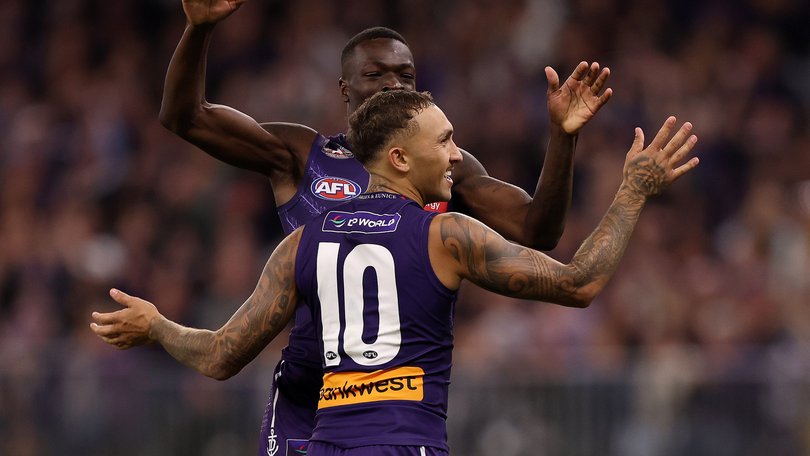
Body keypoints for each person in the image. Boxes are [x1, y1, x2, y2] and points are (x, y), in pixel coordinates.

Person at [92, 90, 698, 455]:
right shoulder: (447, 237)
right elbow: (580, 282)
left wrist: (157, 326)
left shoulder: (301, 244)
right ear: (401, 157)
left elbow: (221, 355)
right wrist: (633, 191)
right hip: (408, 441)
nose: (458, 154)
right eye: (447, 140)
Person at [159, 1, 612, 454]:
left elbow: (537, 229)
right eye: (375, 74)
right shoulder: (302, 154)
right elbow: (187, 117)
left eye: (406, 75)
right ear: (345, 87)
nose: (393, 83)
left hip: (392, 393)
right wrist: (198, 30)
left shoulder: (443, 167)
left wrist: (563, 137)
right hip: (310, 386)